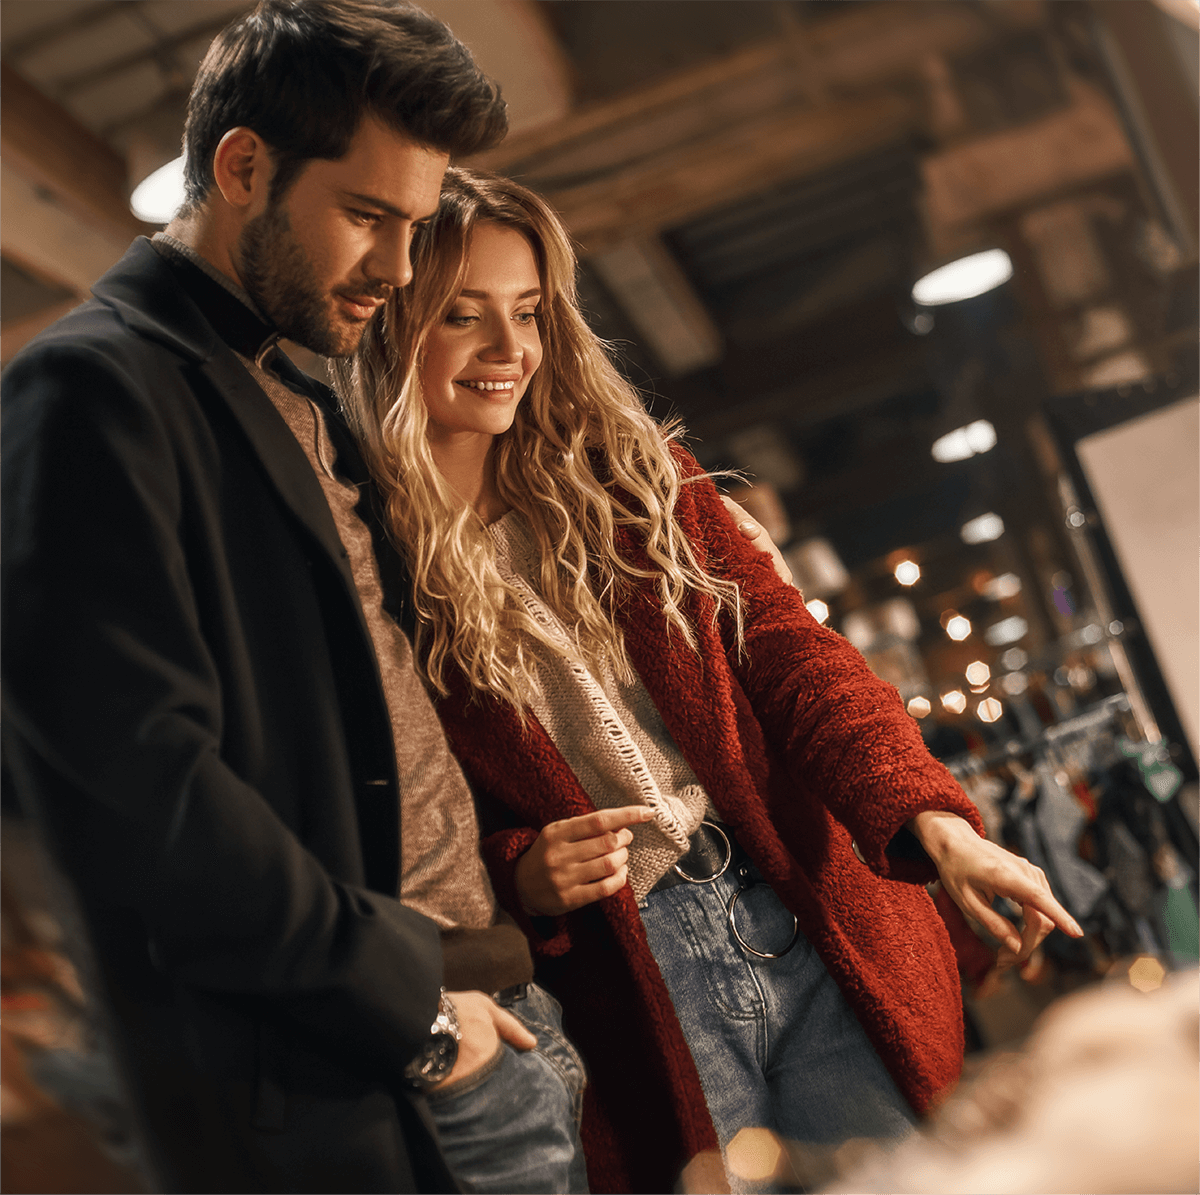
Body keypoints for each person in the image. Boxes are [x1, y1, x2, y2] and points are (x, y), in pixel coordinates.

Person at [336, 167, 1086, 1195]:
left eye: (528, 312)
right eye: (462, 316)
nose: (509, 350)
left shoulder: (639, 483)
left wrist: (943, 826)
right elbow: (405, 815)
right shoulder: (369, 573)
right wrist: (519, 871)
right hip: (635, 986)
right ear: (391, 328)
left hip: (804, 910)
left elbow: (796, 661)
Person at [2, 6, 588, 1193]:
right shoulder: (91, 389)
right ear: (242, 167)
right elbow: (144, 798)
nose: (398, 267)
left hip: (493, 1022)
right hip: (372, 1076)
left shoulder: (296, 395)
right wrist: (413, 1020)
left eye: (415, 225)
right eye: (368, 217)